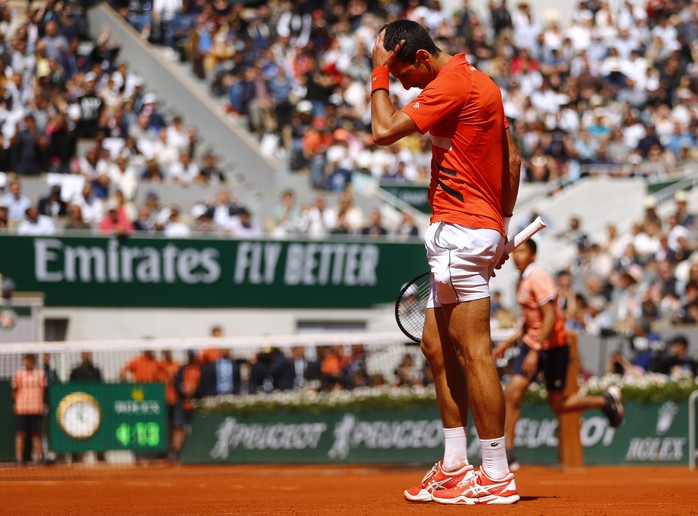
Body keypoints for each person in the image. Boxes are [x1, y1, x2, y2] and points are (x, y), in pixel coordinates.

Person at [371, 20, 521, 504]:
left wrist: (374, 73)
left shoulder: (450, 82)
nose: (399, 85)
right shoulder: (480, 82)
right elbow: (512, 161)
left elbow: (383, 130)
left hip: (459, 229)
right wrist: (500, 226)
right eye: (390, 78)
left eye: (399, 73)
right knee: (437, 346)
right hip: (471, 228)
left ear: (420, 58)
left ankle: (497, 473)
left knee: (474, 351)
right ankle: (456, 465)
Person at [491, 239, 625, 471]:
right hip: (533, 343)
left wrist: (535, 349)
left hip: (553, 346)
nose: (516, 256)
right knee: (512, 393)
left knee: (560, 405)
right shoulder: (521, 281)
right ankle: (508, 451)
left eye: (522, 251)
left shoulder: (538, 276)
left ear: (533, 255)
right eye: (515, 251)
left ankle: (605, 401)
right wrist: (508, 342)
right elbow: (530, 322)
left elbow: (552, 317)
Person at [12, 354, 47, 466]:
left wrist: (42, 405)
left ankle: (39, 458)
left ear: (33, 361)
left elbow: (44, 390)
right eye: (25, 360)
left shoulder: (40, 374)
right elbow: (14, 390)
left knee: (36, 434)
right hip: (22, 408)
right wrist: (16, 403)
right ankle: (19, 459)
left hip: (36, 408)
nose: (27, 362)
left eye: (29, 360)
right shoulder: (19, 374)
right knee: (21, 434)